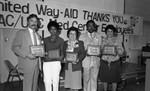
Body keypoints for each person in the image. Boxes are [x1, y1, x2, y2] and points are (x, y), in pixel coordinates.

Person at [11, 14, 42, 91]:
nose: (34, 23)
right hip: (27, 62)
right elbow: (14, 47)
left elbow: (38, 48)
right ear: (28, 22)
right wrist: (27, 55)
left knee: (34, 86)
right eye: (32, 21)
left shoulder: (38, 34)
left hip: (37, 63)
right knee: (27, 87)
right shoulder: (21, 33)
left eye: (35, 21)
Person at [99, 24, 124, 91]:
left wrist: (118, 50)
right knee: (105, 79)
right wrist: (100, 51)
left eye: (111, 31)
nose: (109, 33)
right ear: (106, 32)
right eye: (108, 31)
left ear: (113, 32)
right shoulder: (102, 40)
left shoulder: (118, 40)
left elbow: (121, 52)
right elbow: (99, 51)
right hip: (104, 62)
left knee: (114, 79)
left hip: (114, 62)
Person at [80, 20, 102, 91]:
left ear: (95, 27)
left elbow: (101, 48)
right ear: (86, 27)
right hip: (86, 61)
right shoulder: (81, 36)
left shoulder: (99, 36)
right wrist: (85, 52)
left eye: (92, 25)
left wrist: (100, 53)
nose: (91, 27)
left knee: (94, 79)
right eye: (89, 25)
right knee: (86, 79)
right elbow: (80, 49)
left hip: (96, 61)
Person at [43, 20, 64, 91]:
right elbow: (43, 52)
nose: (53, 31)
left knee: (55, 81)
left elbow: (62, 53)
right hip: (46, 62)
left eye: (54, 29)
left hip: (56, 63)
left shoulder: (61, 40)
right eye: (51, 29)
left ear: (57, 30)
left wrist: (61, 57)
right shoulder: (45, 40)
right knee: (47, 81)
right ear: (49, 30)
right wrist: (45, 56)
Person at [63, 27, 86, 91]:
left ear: (77, 35)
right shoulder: (65, 43)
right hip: (68, 66)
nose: (72, 35)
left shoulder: (80, 43)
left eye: (74, 34)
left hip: (76, 66)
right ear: (68, 34)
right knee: (70, 84)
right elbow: (63, 53)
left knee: (76, 86)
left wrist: (78, 59)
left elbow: (83, 54)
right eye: (71, 33)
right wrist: (64, 59)